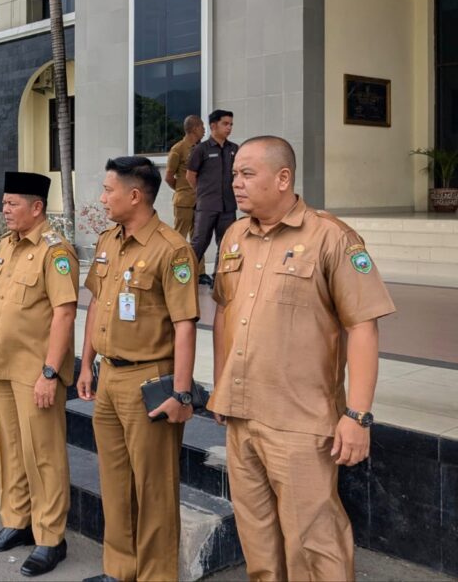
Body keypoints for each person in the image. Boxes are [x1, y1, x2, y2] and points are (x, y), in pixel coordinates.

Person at [209, 136, 396, 581]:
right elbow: (223, 314)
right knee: (258, 540)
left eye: (247, 174)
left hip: (301, 422)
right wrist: (220, 386)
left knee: (314, 546)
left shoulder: (331, 237)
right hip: (241, 414)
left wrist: (358, 414)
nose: (236, 183)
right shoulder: (235, 235)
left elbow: (363, 326)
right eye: (235, 174)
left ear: (283, 178)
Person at [77, 156, 200, 582]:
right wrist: (87, 362)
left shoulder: (172, 249)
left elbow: (185, 325)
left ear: (134, 195)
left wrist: (181, 393)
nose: (102, 198)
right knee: (114, 481)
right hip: (108, 376)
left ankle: (155, 576)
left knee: (154, 489)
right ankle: (119, 569)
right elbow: (96, 301)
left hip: (150, 380)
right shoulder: (109, 240)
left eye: (108, 190)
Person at [0, 171, 78, 578]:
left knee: (44, 454)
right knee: (11, 448)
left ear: (37, 207)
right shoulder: (7, 246)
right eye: (4, 202)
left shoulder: (55, 251)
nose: (5, 209)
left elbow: (64, 313)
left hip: (35, 371)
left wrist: (50, 372)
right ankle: (16, 522)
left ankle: (51, 538)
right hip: (2, 364)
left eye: (13, 203)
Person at [186, 109, 238, 286]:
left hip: (228, 206)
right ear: (213, 125)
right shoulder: (201, 149)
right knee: (199, 243)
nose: (229, 128)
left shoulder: (234, 149)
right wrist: (202, 194)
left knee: (226, 244)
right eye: (225, 124)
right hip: (207, 205)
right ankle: (184, 278)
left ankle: (219, 279)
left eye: (231, 124)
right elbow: (190, 176)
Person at [165, 115, 205, 240]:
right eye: (202, 127)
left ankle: (197, 261)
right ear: (195, 128)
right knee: (179, 238)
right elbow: (169, 177)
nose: (204, 130)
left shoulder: (201, 149)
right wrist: (182, 190)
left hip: (199, 200)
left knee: (198, 239)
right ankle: (176, 260)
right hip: (184, 202)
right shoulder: (178, 149)